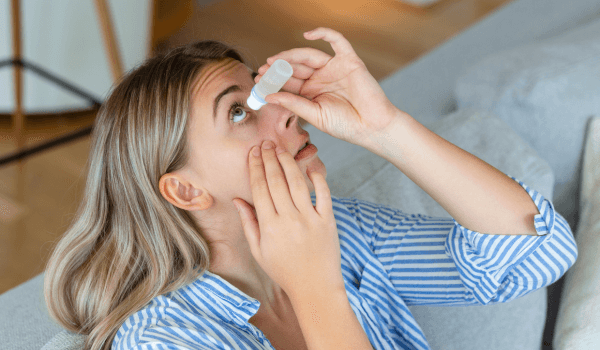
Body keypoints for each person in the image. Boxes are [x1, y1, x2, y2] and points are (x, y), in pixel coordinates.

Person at [43, 27, 578, 350]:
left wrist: (386, 129)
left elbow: (535, 252)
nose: (282, 109)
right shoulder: (166, 339)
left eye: (263, 90)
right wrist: (315, 287)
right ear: (185, 191)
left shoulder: (342, 231)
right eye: (237, 111)